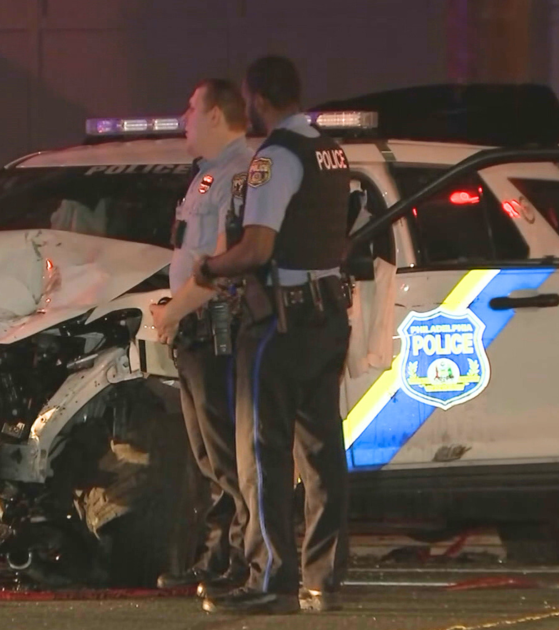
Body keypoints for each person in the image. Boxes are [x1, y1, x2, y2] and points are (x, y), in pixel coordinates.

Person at [193, 55, 352, 615]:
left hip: (280, 325)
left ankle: (271, 581)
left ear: (256, 98)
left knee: (262, 455)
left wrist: (211, 268)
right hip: (328, 318)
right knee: (322, 453)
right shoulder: (332, 151)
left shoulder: (276, 158)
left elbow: (258, 247)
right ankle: (324, 578)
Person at [150, 78, 254, 595]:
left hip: (215, 329)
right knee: (208, 455)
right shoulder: (208, 176)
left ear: (216, 115)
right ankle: (218, 557)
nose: (183, 116)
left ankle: (242, 562)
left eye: (191, 107)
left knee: (226, 452)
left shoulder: (238, 174)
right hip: (192, 327)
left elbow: (221, 263)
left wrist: (176, 310)